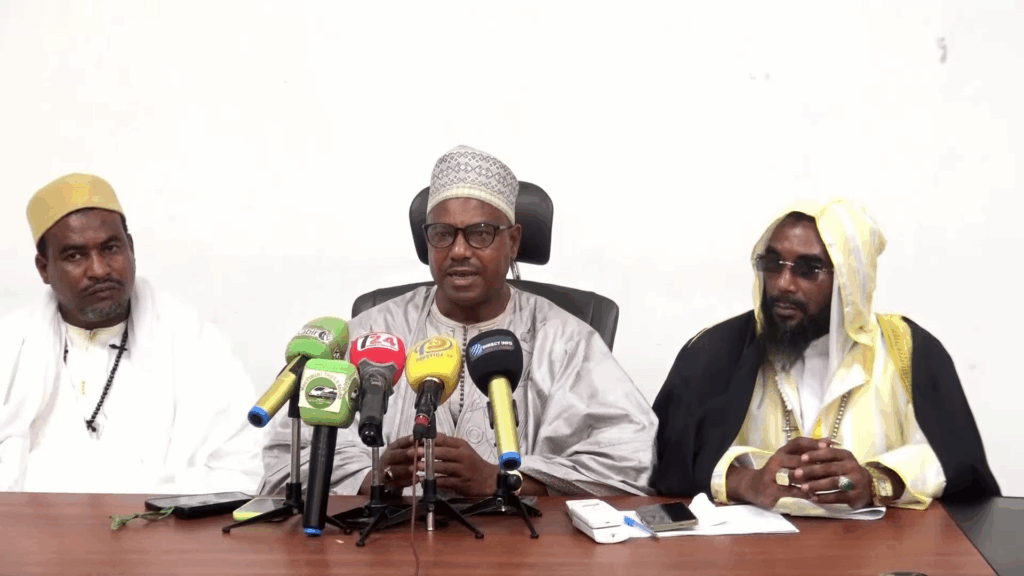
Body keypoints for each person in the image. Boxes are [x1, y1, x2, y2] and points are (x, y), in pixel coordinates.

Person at [261, 145, 657, 497]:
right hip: (391, 542)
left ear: (513, 241)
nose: (460, 251)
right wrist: (374, 477)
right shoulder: (373, 333)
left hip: (523, 543)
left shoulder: (565, 339)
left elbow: (631, 455)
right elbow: (288, 456)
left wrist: (502, 480)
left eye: (481, 233)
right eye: (442, 233)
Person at [650, 199, 999, 510]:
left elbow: (956, 461)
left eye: (807, 270)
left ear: (851, 280)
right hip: (751, 549)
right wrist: (746, 482)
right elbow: (665, 459)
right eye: (773, 264)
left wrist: (877, 481)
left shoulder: (906, 349)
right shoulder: (716, 350)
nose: (783, 284)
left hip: (877, 548)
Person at [0, 173, 264, 494]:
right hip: (29, 525)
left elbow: (240, 466)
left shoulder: (194, 342)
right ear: (44, 268)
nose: (99, 270)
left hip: (161, 523)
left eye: (111, 248)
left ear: (131, 248)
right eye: (74, 255)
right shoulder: (10, 346)